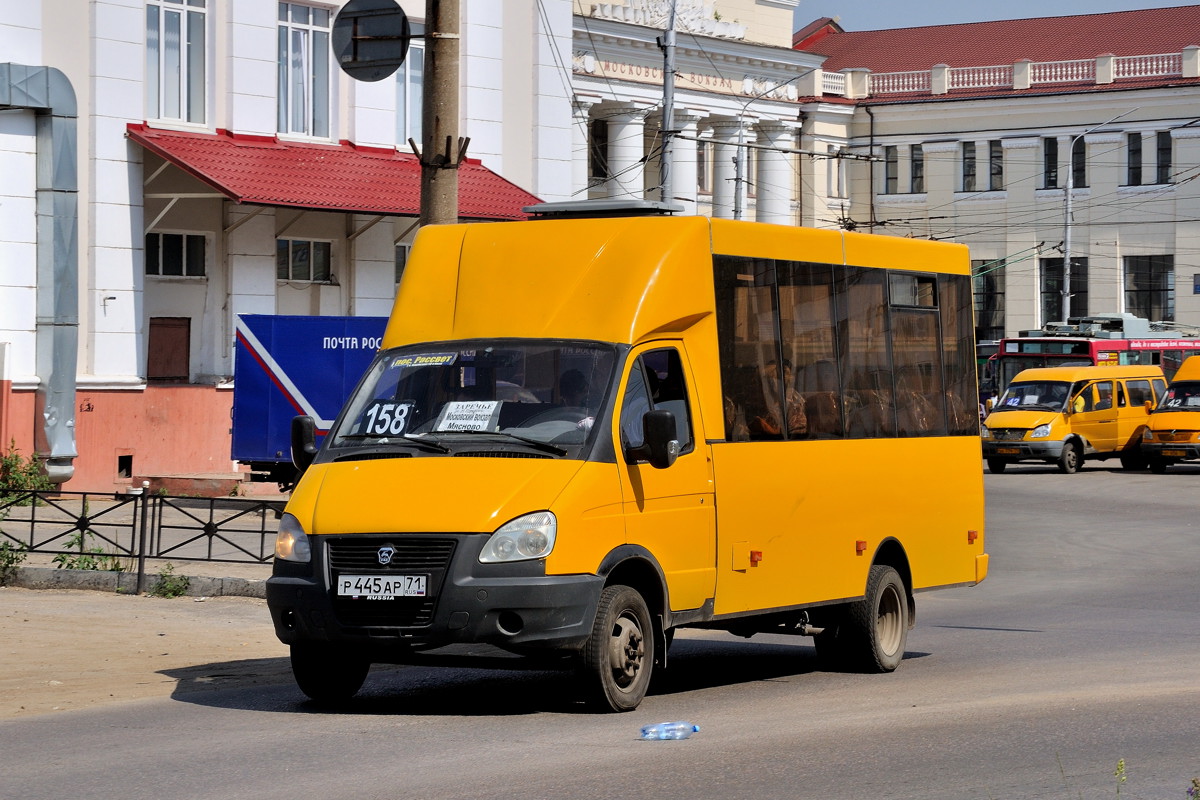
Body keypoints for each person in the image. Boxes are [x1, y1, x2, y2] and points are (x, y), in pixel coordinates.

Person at [748, 359, 807, 438]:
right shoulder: (761, 407)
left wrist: (766, 428)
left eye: (761, 385)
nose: (756, 389)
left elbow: (796, 441)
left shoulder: (793, 410)